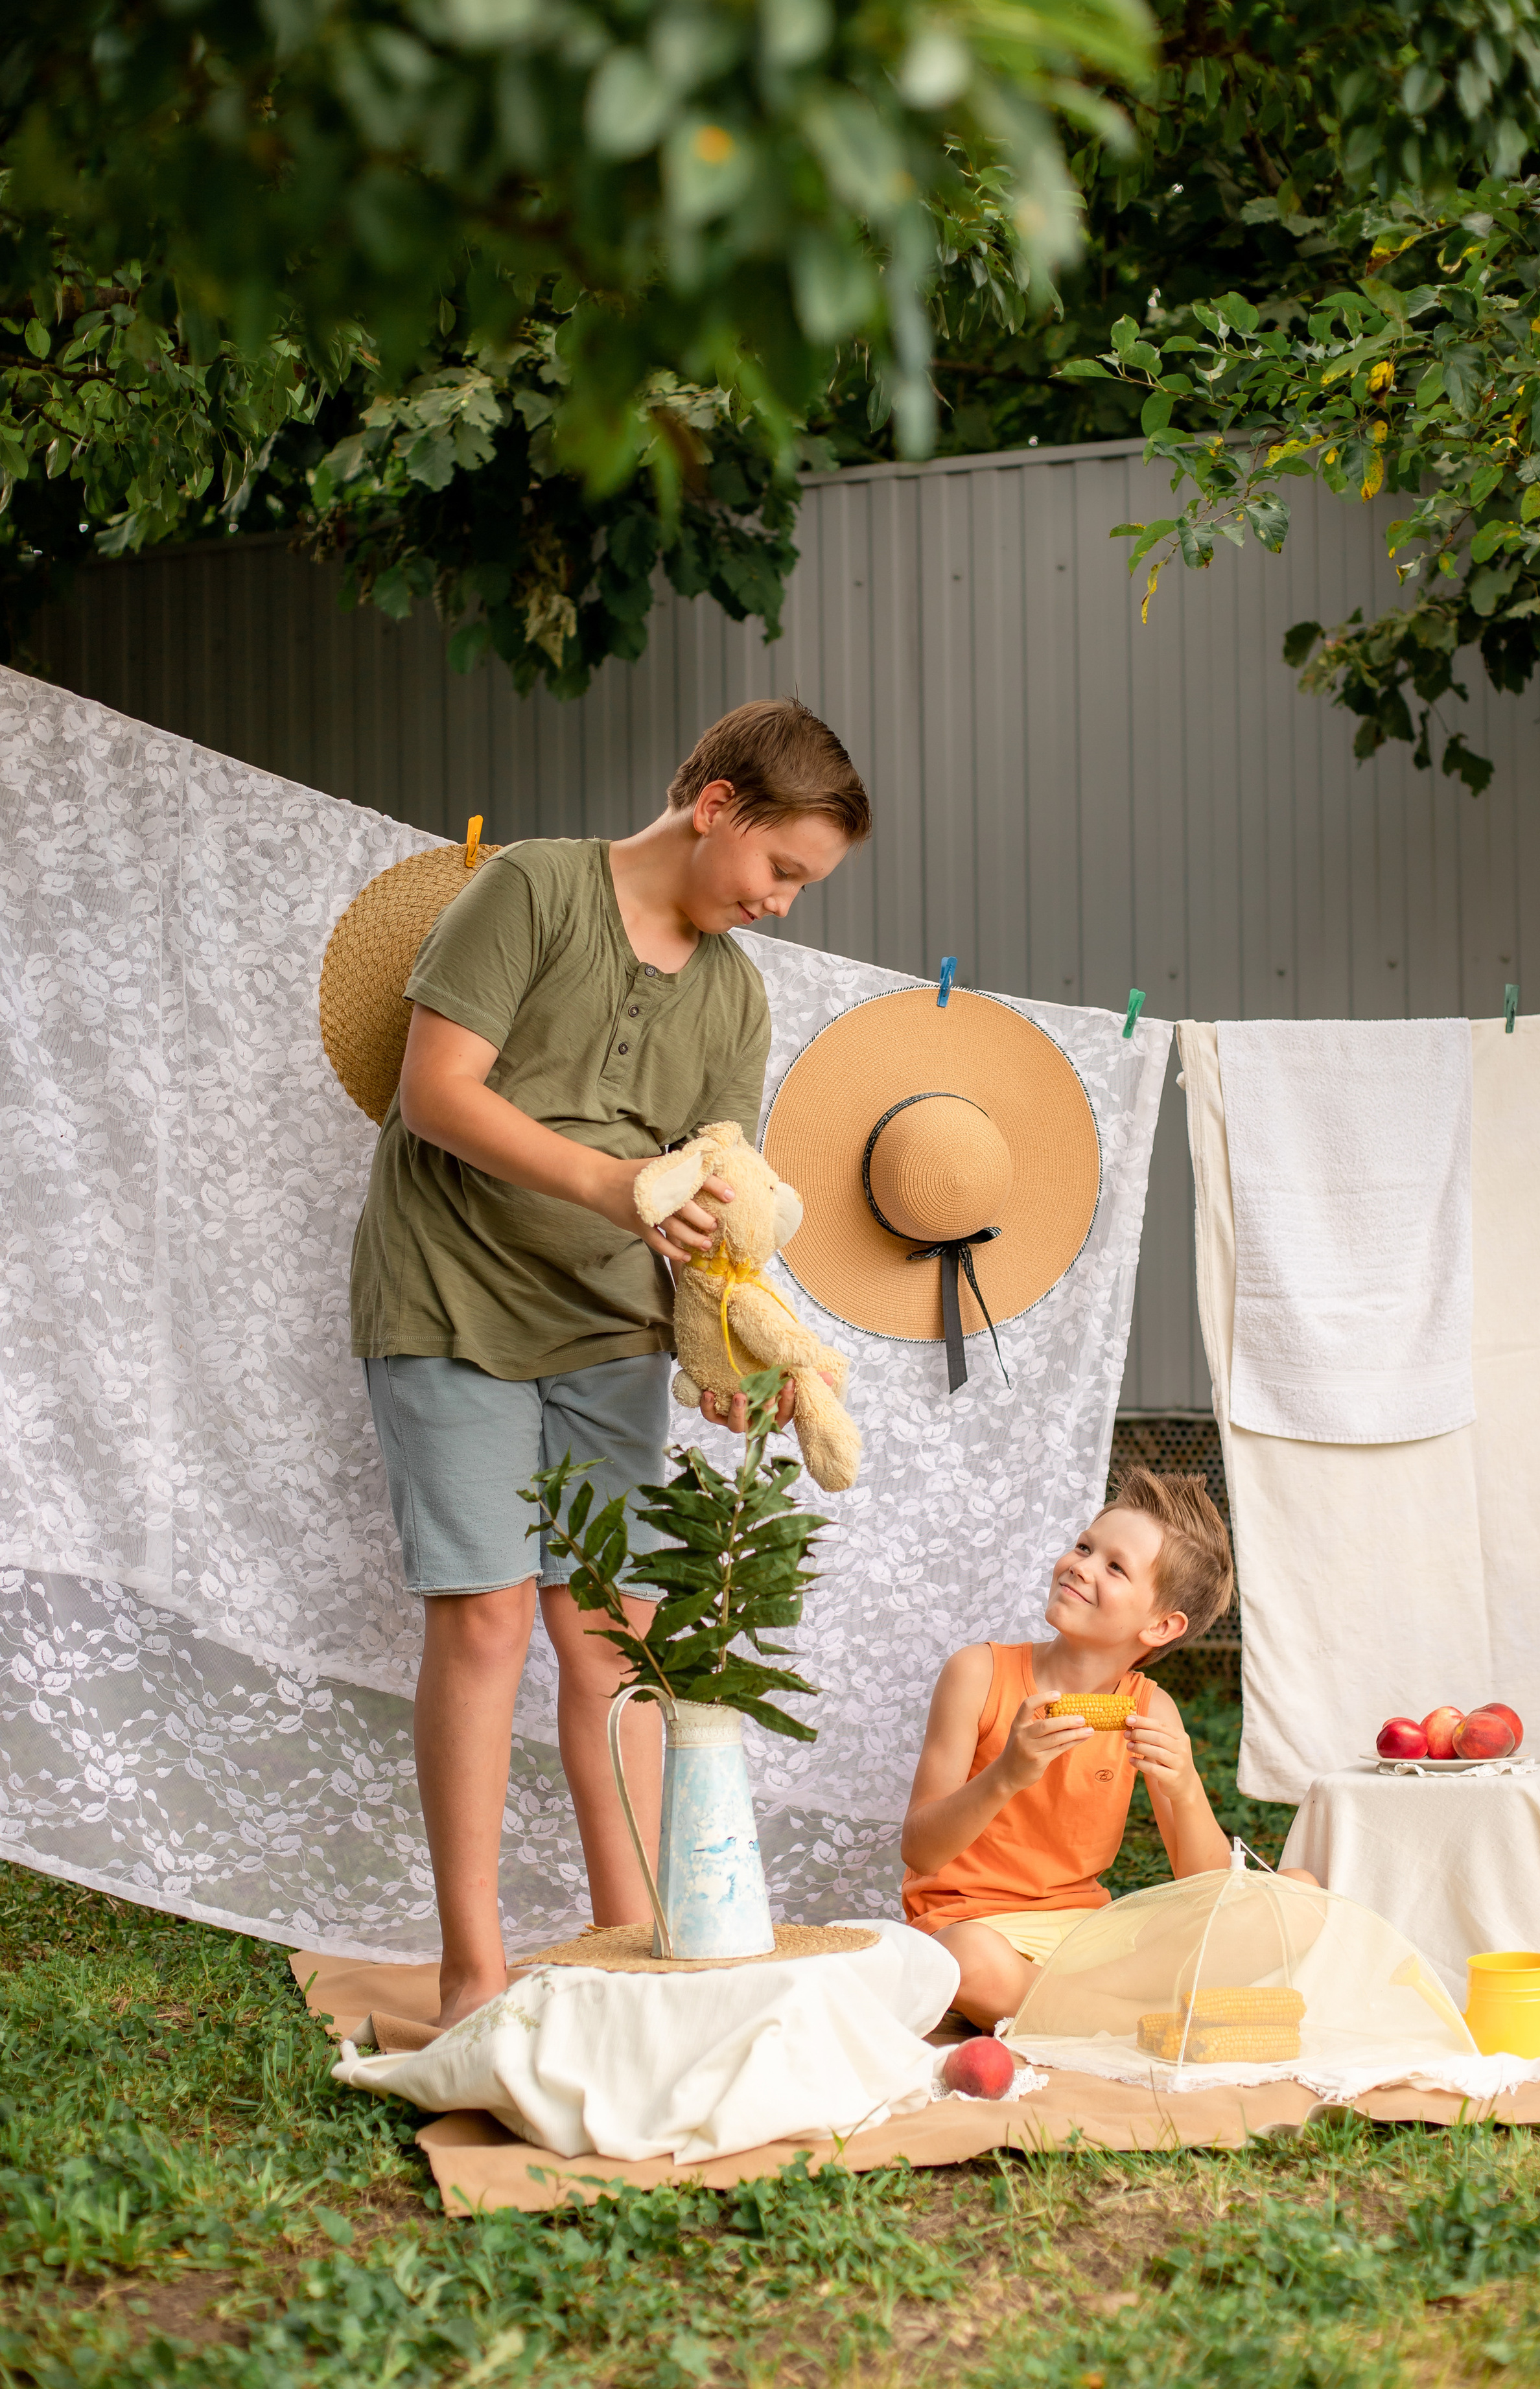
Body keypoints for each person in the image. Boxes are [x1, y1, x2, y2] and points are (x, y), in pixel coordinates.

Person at [351, 699, 869, 2025]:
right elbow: (436, 1093)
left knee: (616, 1643)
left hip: (608, 1327)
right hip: (453, 1296)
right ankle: (474, 1972)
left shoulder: (736, 998)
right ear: (716, 810)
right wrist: (610, 1185)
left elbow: (715, 1197)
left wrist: (711, 1330)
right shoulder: (534, 889)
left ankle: (633, 1943)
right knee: (482, 1617)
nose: (781, 905)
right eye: (780, 871)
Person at [900, 1467, 1314, 2029]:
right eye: (1084, 1547)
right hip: (976, 1928)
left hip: (1089, 1939)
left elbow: (1212, 1888)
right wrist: (1007, 1775)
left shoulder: (1149, 1708)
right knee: (969, 1963)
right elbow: (921, 1850)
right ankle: (1139, 2017)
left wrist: (1185, 1788)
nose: (1081, 1566)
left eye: (1114, 1567)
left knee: (1300, 1897)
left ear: (1161, 1625)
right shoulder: (978, 1673)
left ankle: (1073, 2010)